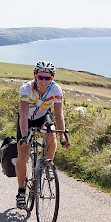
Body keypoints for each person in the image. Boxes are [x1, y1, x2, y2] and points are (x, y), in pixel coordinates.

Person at [15, 60, 69, 209]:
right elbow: (24, 114)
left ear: (52, 78)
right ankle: (21, 191)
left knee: (51, 133)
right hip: (26, 120)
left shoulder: (56, 90)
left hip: (43, 118)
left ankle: (46, 164)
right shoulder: (26, 89)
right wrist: (25, 137)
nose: (44, 81)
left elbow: (59, 115)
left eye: (47, 78)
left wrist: (62, 135)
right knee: (23, 155)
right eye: (41, 77)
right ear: (35, 75)